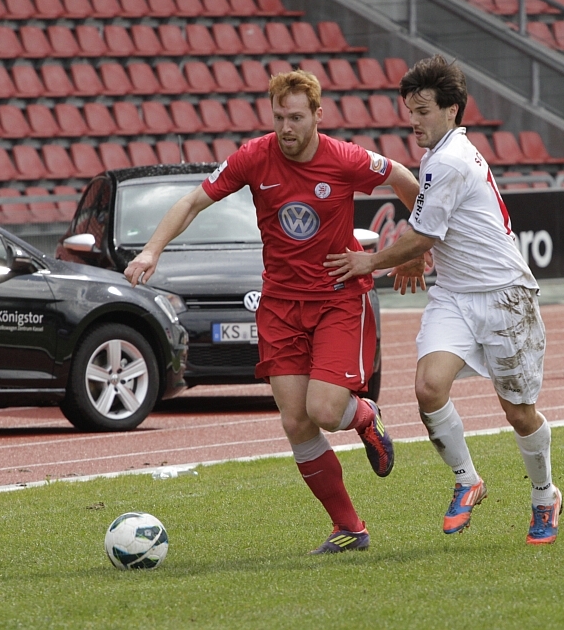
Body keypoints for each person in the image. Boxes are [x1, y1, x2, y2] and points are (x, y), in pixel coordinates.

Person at [124, 70, 422, 554]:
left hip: (337, 298)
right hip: (281, 305)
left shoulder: (345, 158)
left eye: (296, 117)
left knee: (324, 410)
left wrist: (413, 248)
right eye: (279, 116)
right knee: (296, 421)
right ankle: (349, 527)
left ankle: (366, 415)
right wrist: (152, 250)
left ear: (318, 115)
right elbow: (194, 201)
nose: (286, 127)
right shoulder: (254, 156)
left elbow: (405, 179)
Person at [325, 55, 562, 545]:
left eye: (424, 111)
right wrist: (415, 254)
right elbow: (428, 220)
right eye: (410, 111)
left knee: (519, 414)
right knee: (429, 388)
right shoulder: (440, 152)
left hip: (504, 295)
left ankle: (544, 495)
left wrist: (372, 261)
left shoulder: (450, 159)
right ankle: (467, 480)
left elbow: (424, 233)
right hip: (454, 294)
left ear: (452, 110)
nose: (414, 121)